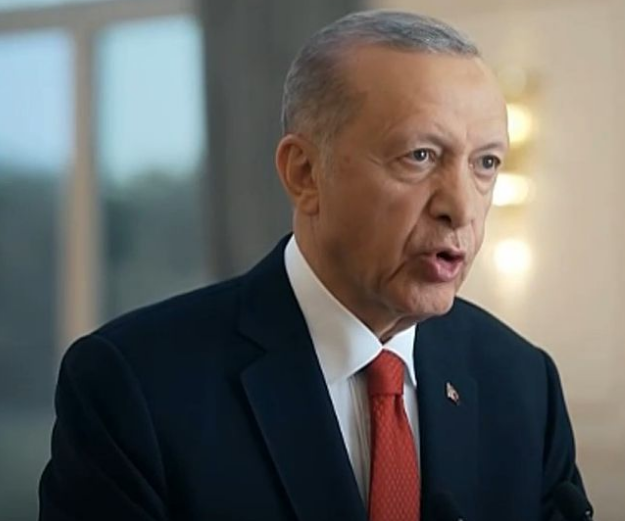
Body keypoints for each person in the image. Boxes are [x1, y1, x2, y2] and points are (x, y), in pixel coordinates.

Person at [39, 10, 585, 521]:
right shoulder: (135, 386)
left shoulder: (523, 384)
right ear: (304, 173)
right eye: (419, 156)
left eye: (485, 163)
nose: (461, 207)